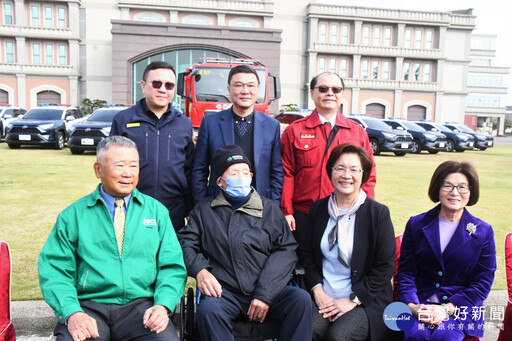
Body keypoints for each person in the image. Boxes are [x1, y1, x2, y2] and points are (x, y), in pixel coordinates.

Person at [38, 136, 187, 341]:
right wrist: (72, 312)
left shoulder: (156, 212)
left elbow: (172, 266)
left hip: (141, 307)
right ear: (98, 170)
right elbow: (55, 270)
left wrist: (162, 306)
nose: (128, 173)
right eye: (120, 165)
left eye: (134, 166)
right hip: (89, 307)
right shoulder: (73, 216)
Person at [178, 145, 312, 341]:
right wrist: (200, 271)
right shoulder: (205, 210)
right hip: (225, 291)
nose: (241, 177)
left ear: (251, 176)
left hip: (268, 288)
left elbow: (286, 250)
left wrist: (265, 294)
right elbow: (186, 243)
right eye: (234, 173)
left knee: (300, 301)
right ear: (220, 182)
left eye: (244, 172)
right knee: (208, 310)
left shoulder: (269, 210)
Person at [301, 143, 396, 340]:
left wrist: (353, 299)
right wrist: (317, 290)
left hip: (364, 300)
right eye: (340, 168)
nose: (346, 175)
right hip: (325, 297)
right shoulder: (318, 209)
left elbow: (384, 267)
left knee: (338, 336)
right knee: (307, 330)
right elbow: (307, 255)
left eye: (354, 170)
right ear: (331, 171)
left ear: (363, 175)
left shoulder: (377, 214)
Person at [397, 161, 497, 340]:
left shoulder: (484, 232)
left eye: (462, 187)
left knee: (445, 336)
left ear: (471, 192)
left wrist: (447, 309)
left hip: (460, 308)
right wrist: (412, 306)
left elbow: (482, 283)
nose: (455, 192)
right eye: (448, 185)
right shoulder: (416, 224)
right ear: (437, 188)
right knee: (415, 334)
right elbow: (406, 272)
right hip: (420, 304)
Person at [280, 72, 376, 252]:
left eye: (336, 89)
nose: (329, 93)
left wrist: (366, 211)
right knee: (306, 266)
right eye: (323, 89)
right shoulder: (295, 131)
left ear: (341, 94)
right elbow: (287, 172)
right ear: (312, 93)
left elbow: (368, 176)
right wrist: (287, 211)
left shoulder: (356, 132)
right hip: (304, 214)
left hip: (346, 214)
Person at [111, 61, 194, 231]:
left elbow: (190, 169)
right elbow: (111, 165)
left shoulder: (184, 124)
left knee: (169, 256)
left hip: (173, 209)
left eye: (169, 85)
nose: (163, 89)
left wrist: (190, 206)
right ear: (143, 86)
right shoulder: (123, 120)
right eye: (156, 84)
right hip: (132, 205)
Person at [192, 64, 283, 204]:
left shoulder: (271, 125)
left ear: (258, 89)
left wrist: (273, 205)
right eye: (239, 85)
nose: (245, 91)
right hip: (219, 205)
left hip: (259, 204)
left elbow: (276, 172)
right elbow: (199, 169)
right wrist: (202, 204)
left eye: (251, 86)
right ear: (229, 89)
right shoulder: (210, 123)